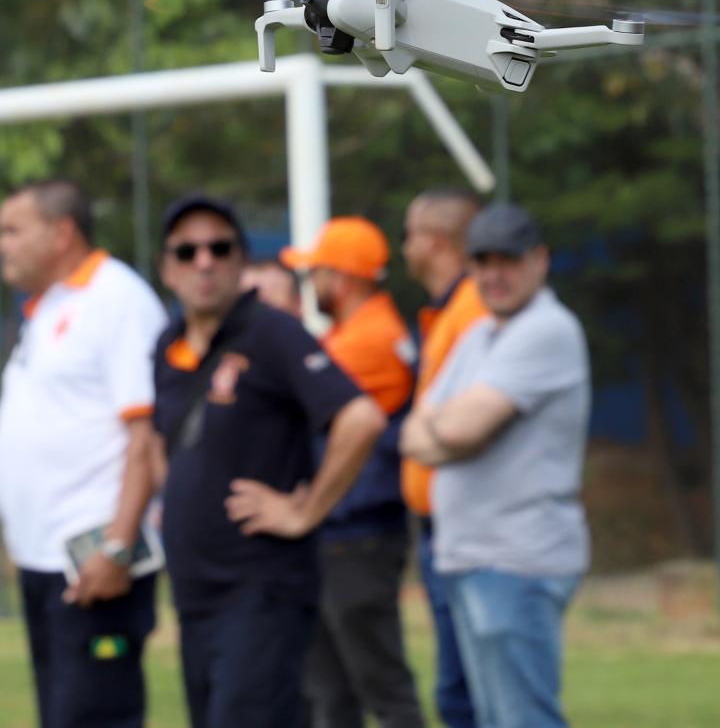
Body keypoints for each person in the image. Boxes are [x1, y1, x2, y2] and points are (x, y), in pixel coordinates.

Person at [150, 194, 385, 728]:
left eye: (219, 247)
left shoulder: (271, 333)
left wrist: (304, 511)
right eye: (187, 251)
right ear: (168, 269)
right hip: (194, 593)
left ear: (240, 262)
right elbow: (163, 439)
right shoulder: (167, 345)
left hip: (260, 589)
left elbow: (360, 418)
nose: (203, 261)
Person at [401, 203, 591, 728]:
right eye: (482, 262)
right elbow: (416, 431)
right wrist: (448, 430)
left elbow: (460, 429)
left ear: (539, 261)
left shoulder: (546, 329)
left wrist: (448, 430)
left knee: (521, 719)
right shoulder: (481, 334)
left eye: (507, 261)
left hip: (516, 560)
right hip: (469, 557)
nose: (493, 275)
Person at [0, 179, 166, 728]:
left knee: (94, 716)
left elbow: (146, 437)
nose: (2, 245)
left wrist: (115, 547)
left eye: (13, 230)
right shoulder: (51, 306)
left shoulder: (118, 299)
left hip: (95, 564)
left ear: (62, 233)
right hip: (47, 560)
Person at [281, 218, 423, 728]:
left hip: (358, 534)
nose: (309, 286)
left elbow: (299, 402)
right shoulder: (358, 332)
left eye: (314, 273)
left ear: (342, 278)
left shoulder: (370, 339)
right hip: (342, 531)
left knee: (379, 683)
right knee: (332, 691)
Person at [398, 187, 486, 728]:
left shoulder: (474, 309)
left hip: (466, 526)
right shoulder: (450, 309)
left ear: (432, 242)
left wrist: (420, 435)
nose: (404, 247)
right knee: (459, 692)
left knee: (470, 697)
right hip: (440, 526)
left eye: (409, 235)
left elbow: (458, 425)